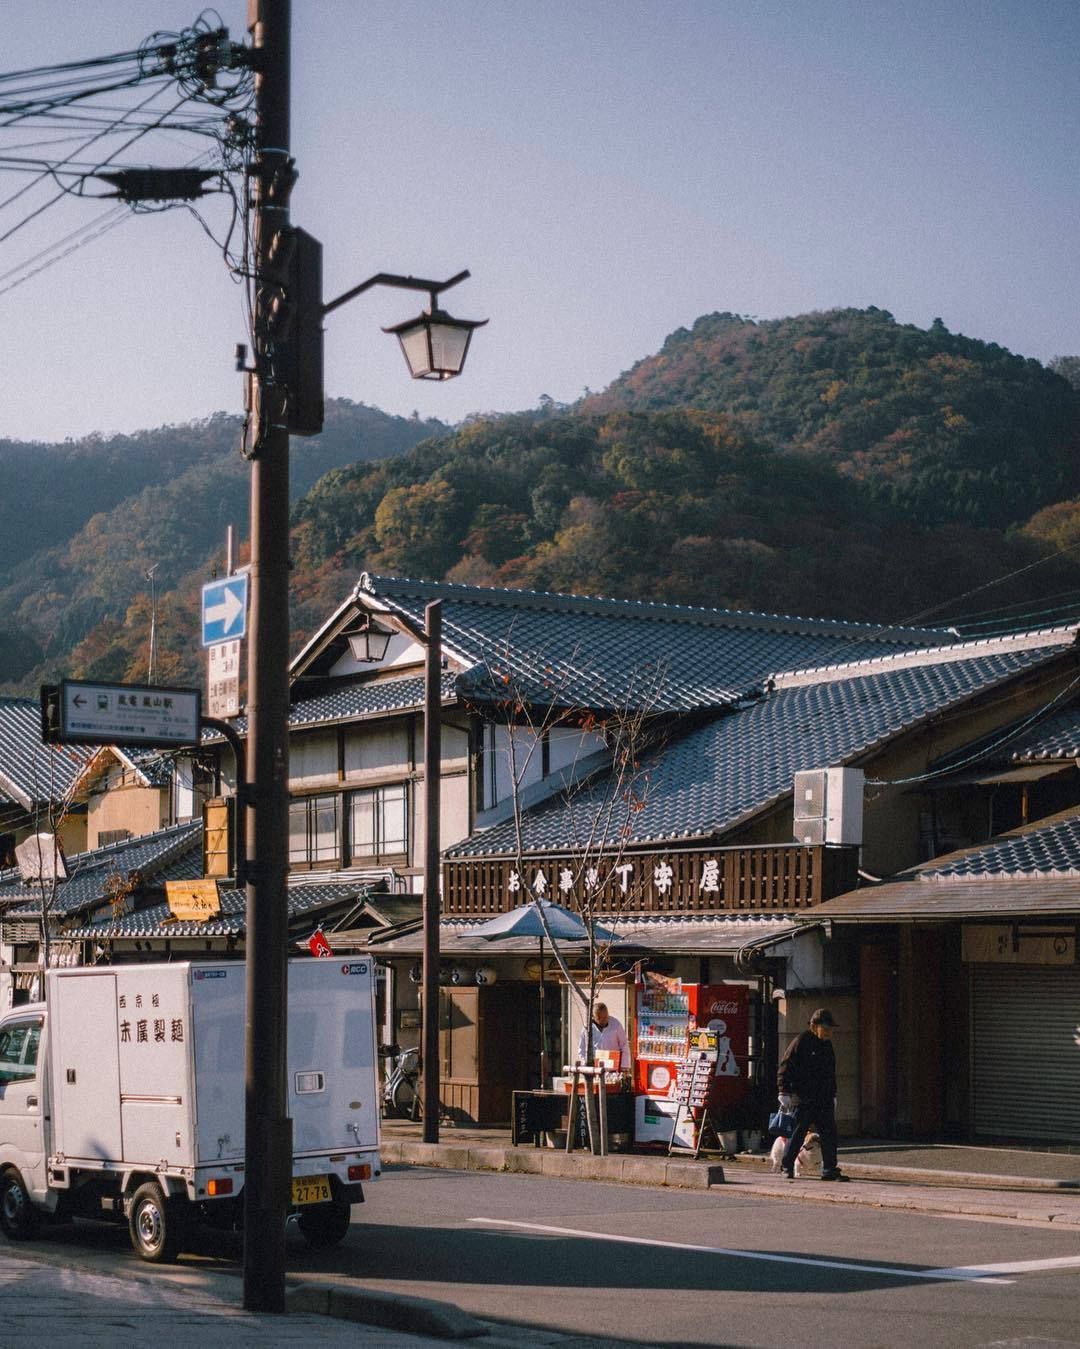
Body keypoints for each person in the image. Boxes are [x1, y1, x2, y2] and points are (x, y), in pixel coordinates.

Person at [776, 1007, 848, 1181]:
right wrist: (783, 1090)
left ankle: (830, 1169)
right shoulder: (801, 1041)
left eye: (831, 1029)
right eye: (826, 1028)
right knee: (798, 1132)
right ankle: (786, 1166)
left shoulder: (827, 1045)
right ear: (814, 1026)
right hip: (803, 1097)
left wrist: (834, 1094)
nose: (829, 1032)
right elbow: (785, 1066)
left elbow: (831, 1072)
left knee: (829, 1133)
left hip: (824, 1097)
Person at [578, 1002, 629, 1070]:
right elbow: (582, 1048)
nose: (603, 1020)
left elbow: (624, 1044)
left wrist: (624, 1066)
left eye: (605, 1017)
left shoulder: (616, 1024)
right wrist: (586, 1063)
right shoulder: (587, 1028)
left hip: (613, 1066)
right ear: (593, 1017)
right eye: (599, 1018)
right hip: (595, 1067)